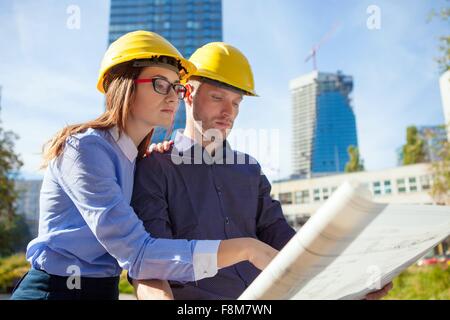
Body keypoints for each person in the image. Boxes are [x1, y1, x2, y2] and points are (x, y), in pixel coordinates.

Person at [10, 32, 277, 300]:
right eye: (161, 84)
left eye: (176, 87)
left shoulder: (139, 160)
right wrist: (247, 249)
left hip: (103, 291)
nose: (173, 97)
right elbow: (138, 253)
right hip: (54, 291)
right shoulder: (84, 150)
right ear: (125, 84)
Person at [131, 42, 393, 300]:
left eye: (236, 103)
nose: (228, 112)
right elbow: (151, 265)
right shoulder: (155, 167)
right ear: (187, 94)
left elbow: (282, 239)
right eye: (217, 97)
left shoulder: (249, 170)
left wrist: (348, 282)